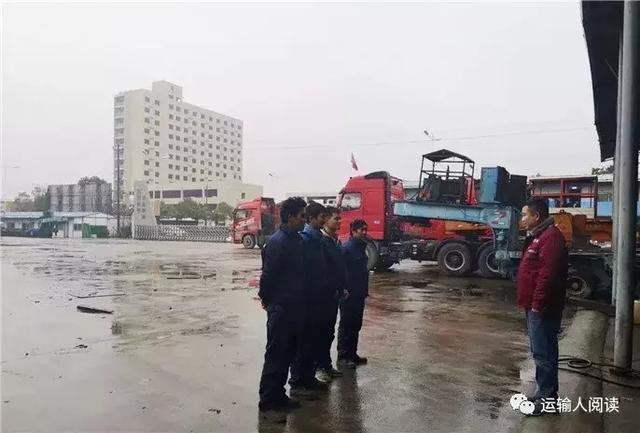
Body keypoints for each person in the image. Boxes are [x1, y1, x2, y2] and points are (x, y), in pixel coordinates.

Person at [258, 197, 307, 422]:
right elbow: (268, 275)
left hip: (294, 306)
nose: (304, 220)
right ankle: (267, 403)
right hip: (281, 307)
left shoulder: (295, 240)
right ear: (290, 217)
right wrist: (267, 299)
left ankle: (279, 396)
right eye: (302, 216)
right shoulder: (279, 242)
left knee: (287, 353)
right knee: (276, 355)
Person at [517, 198, 568, 416]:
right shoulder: (539, 236)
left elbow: (547, 275)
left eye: (524, 215)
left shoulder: (550, 238)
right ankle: (543, 394)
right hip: (534, 305)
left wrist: (538, 304)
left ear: (536, 216)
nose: (522, 219)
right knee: (540, 351)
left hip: (542, 307)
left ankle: (547, 400)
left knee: (543, 352)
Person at [289, 201, 331, 395]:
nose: (324, 221)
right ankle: (298, 382)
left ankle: (309, 377)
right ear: (312, 218)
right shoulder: (304, 240)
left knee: (313, 340)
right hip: (307, 299)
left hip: (318, 298)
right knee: (303, 342)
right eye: (322, 217)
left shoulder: (318, 239)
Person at [316, 206, 348, 381]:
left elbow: (339, 268)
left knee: (329, 332)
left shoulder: (335, 240)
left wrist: (342, 288)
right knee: (320, 333)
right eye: (336, 218)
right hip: (324, 295)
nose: (339, 222)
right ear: (326, 219)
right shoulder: (321, 241)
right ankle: (319, 367)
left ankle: (326, 364)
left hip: (334, 294)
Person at [338, 219, 370, 369]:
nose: (364, 232)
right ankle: (343, 356)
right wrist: (344, 290)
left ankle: (352, 353)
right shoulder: (347, 249)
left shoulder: (360, 247)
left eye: (365, 230)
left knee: (356, 324)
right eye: (361, 230)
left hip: (359, 293)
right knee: (346, 324)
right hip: (349, 295)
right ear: (353, 231)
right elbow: (341, 272)